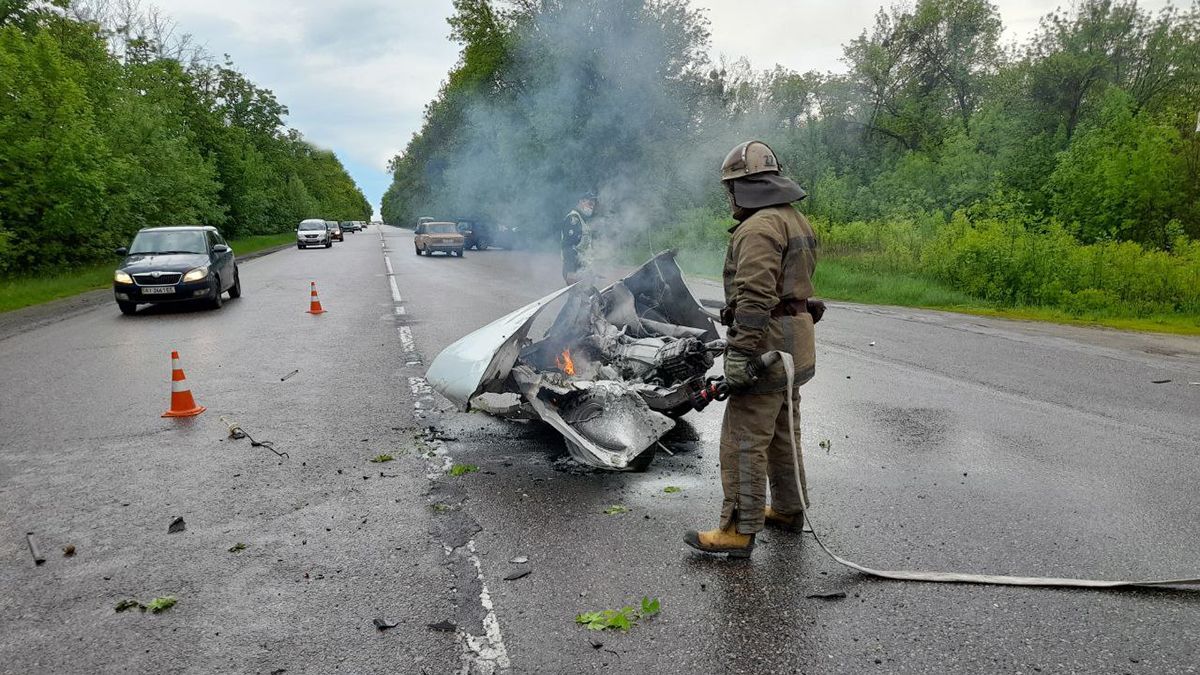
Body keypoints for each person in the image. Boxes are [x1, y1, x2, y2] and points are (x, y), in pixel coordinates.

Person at [684, 140, 825, 558]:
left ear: (745, 187)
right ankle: (787, 509)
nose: (730, 197)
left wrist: (740, 354)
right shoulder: (794, 219)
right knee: (784, 432)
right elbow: (793, 286)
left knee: (744, 438)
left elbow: (755, 298)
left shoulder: (759, 227)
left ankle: (737, 530)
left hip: (767, 348)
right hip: (795, 348)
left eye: (731, 188)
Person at [561, 192, 597, 284]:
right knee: (579, 295)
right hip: (574, 268)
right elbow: (568, 246)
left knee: (581, 296)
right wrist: (571, 271)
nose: (592, 207)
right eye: (590, 203)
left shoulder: (582, 220)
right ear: (581, 201)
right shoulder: (573, 219)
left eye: (593, 204)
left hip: (582, 267)